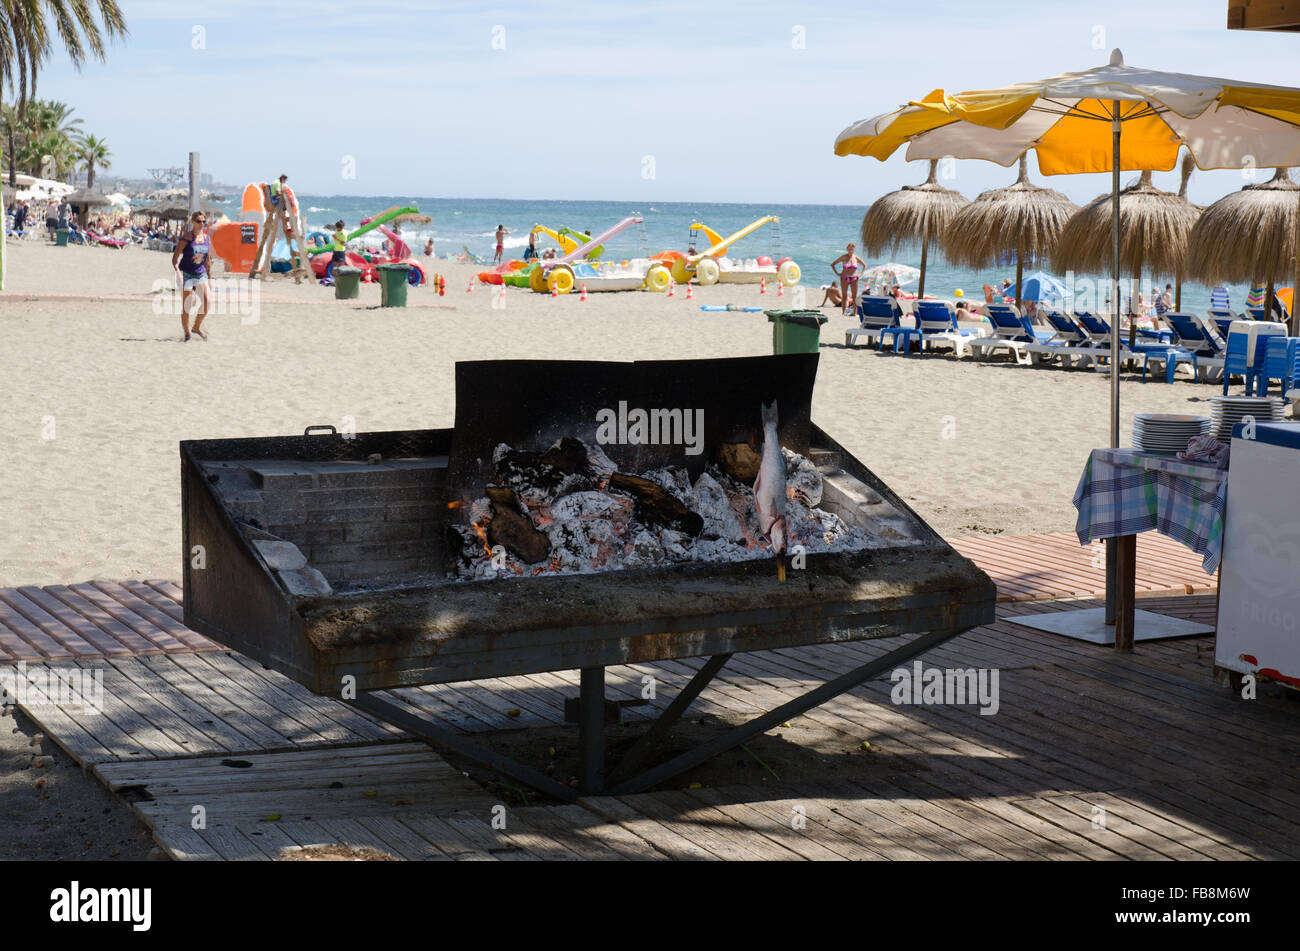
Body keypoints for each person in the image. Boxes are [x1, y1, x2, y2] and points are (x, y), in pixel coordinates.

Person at [171, 210, 211, 342]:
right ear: (193, 222)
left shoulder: (206, 238)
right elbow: (175, 259)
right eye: (199, 221)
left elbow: (208, 260)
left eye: (204, 221)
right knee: (187, 306)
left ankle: (196, 327)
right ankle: (187, 333)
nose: (202, 224)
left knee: (207, 302)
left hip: (201, 274)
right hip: (186, 274)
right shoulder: (187, 238)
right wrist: (178, 274)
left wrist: (209, 278)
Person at [830, 243, 865, 317]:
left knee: (854, 296)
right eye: (849, 249)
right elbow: (833, 264)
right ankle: (843, 312)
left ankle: (854, 313)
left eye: (852, 249)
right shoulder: (843, 257)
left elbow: (864, 265)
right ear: (847, 249)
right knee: (844, 296)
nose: (850, 250)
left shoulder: (856, 257)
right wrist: (837, 273)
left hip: (855, 278)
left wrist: (860, 274)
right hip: (844, 278)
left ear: (854, 250)